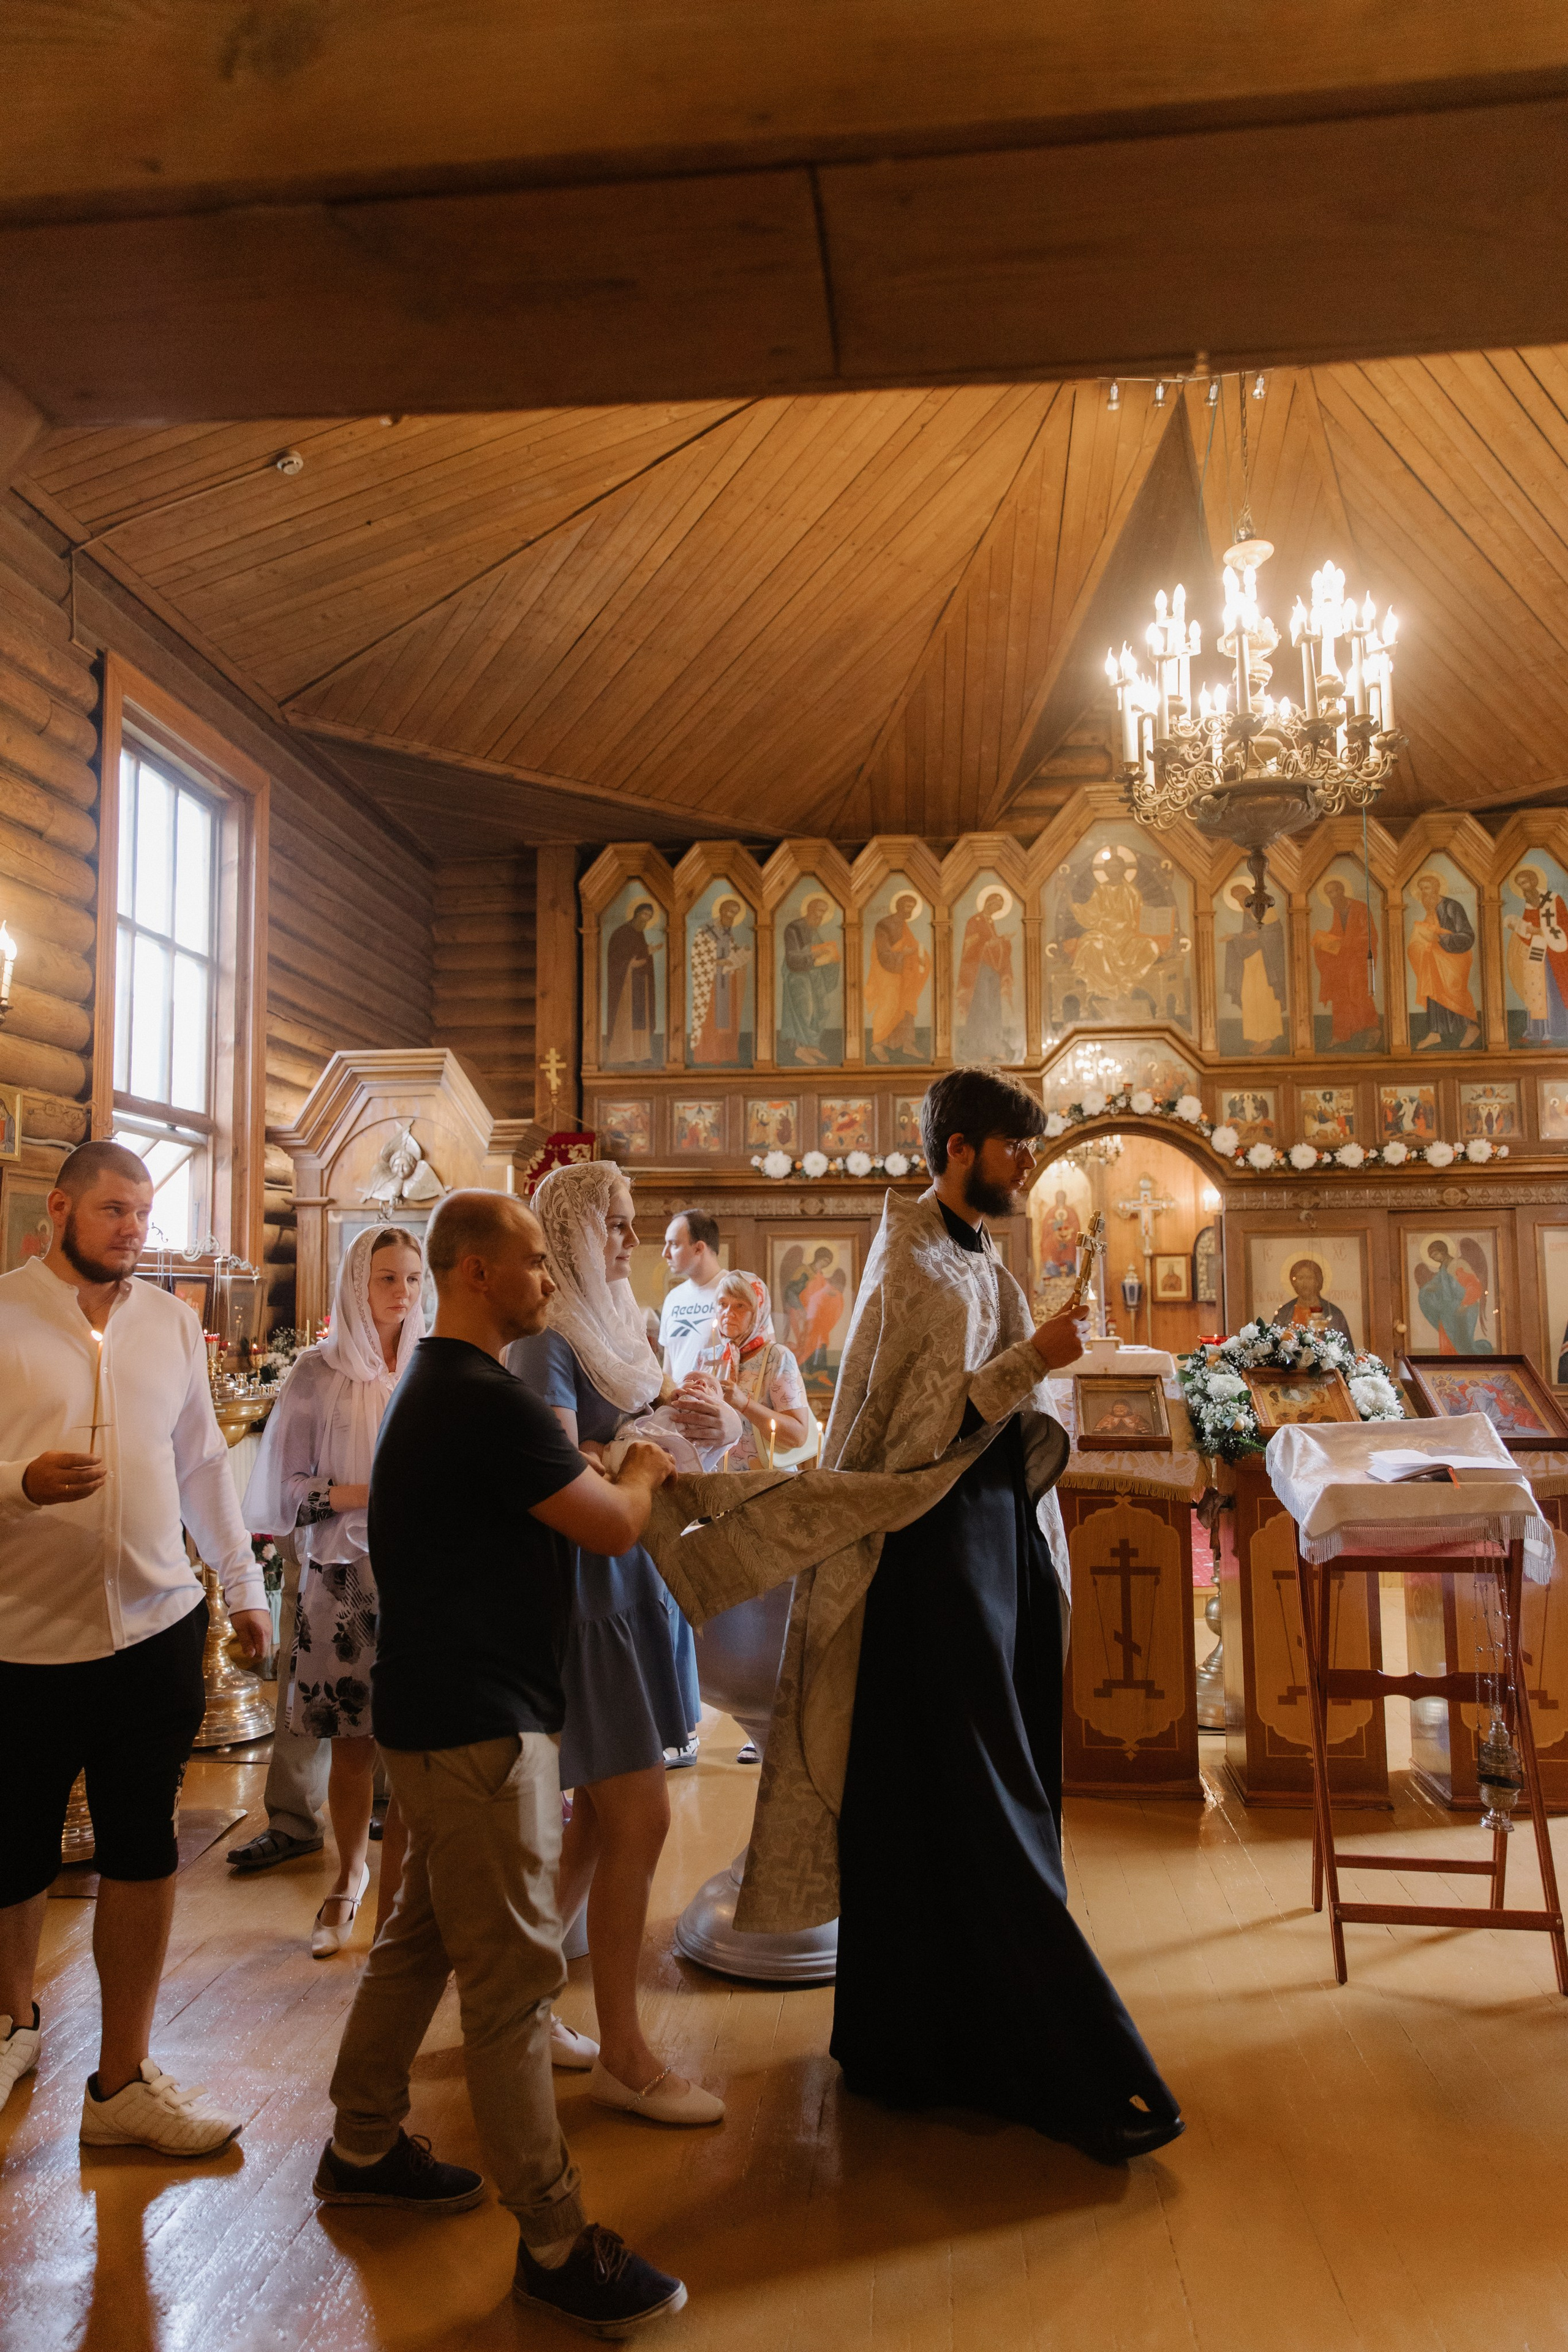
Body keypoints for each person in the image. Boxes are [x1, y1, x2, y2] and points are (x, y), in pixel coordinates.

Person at [645, 1068, 1182, 2166]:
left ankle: (929, 2044)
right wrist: (1040, 1358)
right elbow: (913, 1431)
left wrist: (1041, 1369)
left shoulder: (980, 1253)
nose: (1028, 1168)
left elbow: (1003, 1400)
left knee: (974, 1796)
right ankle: (1068, 2055)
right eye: (1014, 1149)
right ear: (959, 1149)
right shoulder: (910, 1260)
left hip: (993, 1549)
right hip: (930, 1566)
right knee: (969, 1800)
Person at [318, 1188, 688, 2339]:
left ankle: (363, 2140)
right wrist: (646, 1461)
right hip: (485, 1725)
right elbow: (615, 1528)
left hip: (432, 1713)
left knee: (422, 1935)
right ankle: (556, 2239)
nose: (547, 1280)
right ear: (475, 1272)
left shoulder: (437, 1387)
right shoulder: (494, 1399)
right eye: (532, 1263)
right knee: (517, 1987)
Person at [0, 1140, 271, 2154]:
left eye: (144, 1213)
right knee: (13, 1851)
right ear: (60, 1208)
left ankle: (121, 2082)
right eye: (114, 1210)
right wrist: (20, 1481)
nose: (132, 1230)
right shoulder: (5, 1309)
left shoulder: (168, 1321)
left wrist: (242, 1588)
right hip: (20, 1642)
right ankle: (12, 2021)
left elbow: (204, 1464)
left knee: (143, 1851)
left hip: (156, 1633)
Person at [509, 1163, 722, 2125]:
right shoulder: (547, 1338)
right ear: (571, 1231)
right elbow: (558, 1462)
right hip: (590, 1586)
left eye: (635, 1226)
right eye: (617, 1226)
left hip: (642, 1573)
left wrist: (695, 1421)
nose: (630, 1242)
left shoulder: (620, 1323)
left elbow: (644, 1432)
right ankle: (625, 2056)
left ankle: (526, 2000)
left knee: (602, 1818)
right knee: (640, 1819)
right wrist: (640, 1441)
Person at [238, 1226, 424, 1954]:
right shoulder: (317, 1374)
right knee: (352, 1744)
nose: (401, 1295)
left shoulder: (428, 1367)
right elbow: (283, 1494)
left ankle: (407, 1897)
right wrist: (363, 1493)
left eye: (412, 1279)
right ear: (357, 1284)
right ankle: (348, 1878)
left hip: (417, 1574)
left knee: (415, 1743)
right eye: (386, 1279)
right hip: (341, 1577)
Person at [709, 1272, 812, 1466]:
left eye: (740, 1306)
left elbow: (798, 1435)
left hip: (766, 1483)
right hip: (715, 1482)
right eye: (722, 1304)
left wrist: (744, 1404)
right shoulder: (708, 1359)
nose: (728, 1313)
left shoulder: (777, 1357)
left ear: (758, 1313)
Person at [1406, 872, 1480, 1050]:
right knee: (1434, 993)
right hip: (1434, 959)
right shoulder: (1430, 909)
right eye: (1422, 889)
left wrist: (1441, 938)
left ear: (1437, 888)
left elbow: (1467, 936)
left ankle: (1472, 1028)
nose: (1425, 892)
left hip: (1454, 958)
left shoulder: (1452, 906)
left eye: (1428, 888)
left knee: (1456, 990)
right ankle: (1434, 1033)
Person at [1312, 875, 1382, 1048]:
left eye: (1334, 891)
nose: (1332, 896)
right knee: (1339, 993)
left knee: (1359, 991)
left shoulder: (1360, 908)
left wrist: (1346, 942)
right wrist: (1323, 943)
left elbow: (1370, 935)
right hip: (1344, 959)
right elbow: (1337, 933)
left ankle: (1373, 1030)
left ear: (1342, 891)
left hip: (1360, 958)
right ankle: (1342, 1034)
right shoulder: (1338, 910)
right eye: (1328, 893)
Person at [657, 1209, 724, 1384]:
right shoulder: (673, 1298)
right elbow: (669, 1369)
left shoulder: (737, 1290)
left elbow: (763, 1357)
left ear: (699, 1248)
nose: (665, 1253)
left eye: (674, 1244)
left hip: (720, 1406)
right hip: (680, 1405)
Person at [1222, 880, 1288, 1050]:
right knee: (1250, 998)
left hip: (1265, 964)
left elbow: (1273, 934)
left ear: (1248, 894)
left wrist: (1241, 937)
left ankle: (1267, 1039)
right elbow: (1251, 935)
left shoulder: (1266, 910)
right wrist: (1236, 937)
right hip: (1252, 961)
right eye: (1235, 898)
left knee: (1263, 998)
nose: (1239, 901)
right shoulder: (1248, 913)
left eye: (1240, 896)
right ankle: (1258, 1038)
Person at [865, 891, 932, 1061]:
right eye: (907, 906)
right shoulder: (884, 925)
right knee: (889, 1004)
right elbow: (883, 953)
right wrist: (903, 953)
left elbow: (913, 947)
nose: (909, 910)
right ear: (898, 906)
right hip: (887, 972)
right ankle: (877, 1045)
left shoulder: (904, 927)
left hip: (903, 972)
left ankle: (907, 1045)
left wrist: (922, 958)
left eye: (912, 907)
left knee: (907, 1005)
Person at [1506, 865, 1568, 1042]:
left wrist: (1542, 932)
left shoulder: (1553, 899)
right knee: (1535, 988)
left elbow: (1564, 924)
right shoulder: (1529, 903)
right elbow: (1528, 928)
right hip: (1537, 952)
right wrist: (1519, 927)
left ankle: (1553, 1031)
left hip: (1554, 953)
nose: (1524, 887)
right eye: (1520, 885)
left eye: (1525, 882)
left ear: (1533, 881)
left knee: (1550, 990)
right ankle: (1535, 1031)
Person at [778, 895, 841, 1065]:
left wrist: (831, 959)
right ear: (809, 909)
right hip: (797, 975)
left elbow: (820, 953)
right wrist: (814, 953)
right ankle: (800, 1049)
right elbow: (792, 956)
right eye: (819, 911)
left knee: (823, 1009)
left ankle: (812, 1045)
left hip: (814, 975)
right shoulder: (794, 928)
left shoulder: (814, 930)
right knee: (805, 1010)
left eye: (824, 912)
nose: (821, 915)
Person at [603, 900, 660, 1065]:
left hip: (640, 982)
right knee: (626, 1019)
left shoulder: (639, 933)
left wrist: (648, 953)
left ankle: (641, 1054)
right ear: (636, 914)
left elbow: (639, 953)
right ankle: (623, 1055)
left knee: (640, 1020)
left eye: (649, 917)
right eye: (644, 914)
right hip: (625, 985)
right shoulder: (621, 933)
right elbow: (616, 958)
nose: (646, 919)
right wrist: (630, 964)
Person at [1271, 1257, 1354, 1343]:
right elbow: (1275, 1344)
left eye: (1310, 1278)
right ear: (1293, 1282)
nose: (1305, 1283)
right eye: (1300, 1278)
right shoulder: (1284, 1313)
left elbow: (1345, 1348)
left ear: (1318, 1281)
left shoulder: (1333, 1312)